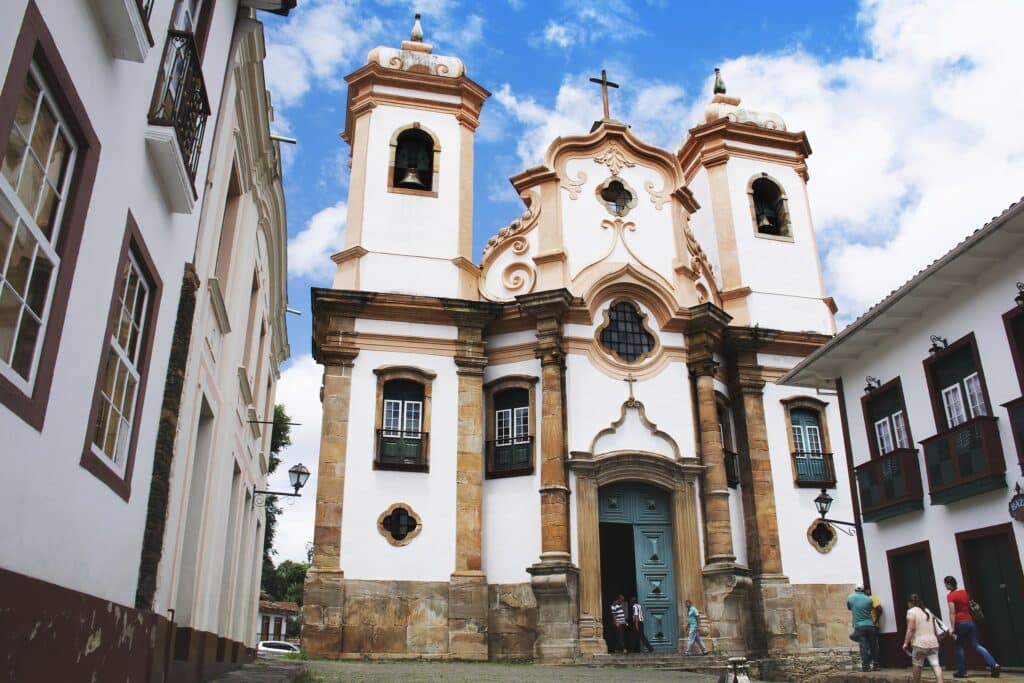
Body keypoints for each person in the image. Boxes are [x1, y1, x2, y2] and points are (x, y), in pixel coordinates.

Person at [944, 576, 999, 678]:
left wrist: (952, 627)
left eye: (945, 584)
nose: (945, 586)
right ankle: (994, 664)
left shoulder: (951, 596)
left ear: (949, 584)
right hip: (970, 621)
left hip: (960, 623)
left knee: (959, 646)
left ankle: (962, 672)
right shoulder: (964, 592)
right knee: (976, 645)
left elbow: (952, 612)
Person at [903, 593, 945, 683]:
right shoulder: (927, 611)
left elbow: (911, 629)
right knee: (936, 664)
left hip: (920, 644)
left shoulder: (911, 612)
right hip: (933, 643)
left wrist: (906, 643)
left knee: (917, 665)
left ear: (910, 603)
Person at [847, 585, 879, 672]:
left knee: (863, 646)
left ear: (855, 590)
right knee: (874, 646)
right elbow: (871, 608)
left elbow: (849, 607)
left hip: (859, 626)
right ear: (863, 590)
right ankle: (876, 665)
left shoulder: (850, 598)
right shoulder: (869, 599)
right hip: (870, 625)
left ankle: (866, 667)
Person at [867, 588, 883, 671]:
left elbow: (879, 609)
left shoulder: (872, 598)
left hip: (872, 625)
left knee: (873, 645)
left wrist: (875, 620)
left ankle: (875, 664)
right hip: (869, 625)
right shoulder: (865, 600)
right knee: (871, 645)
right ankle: (873, 664)